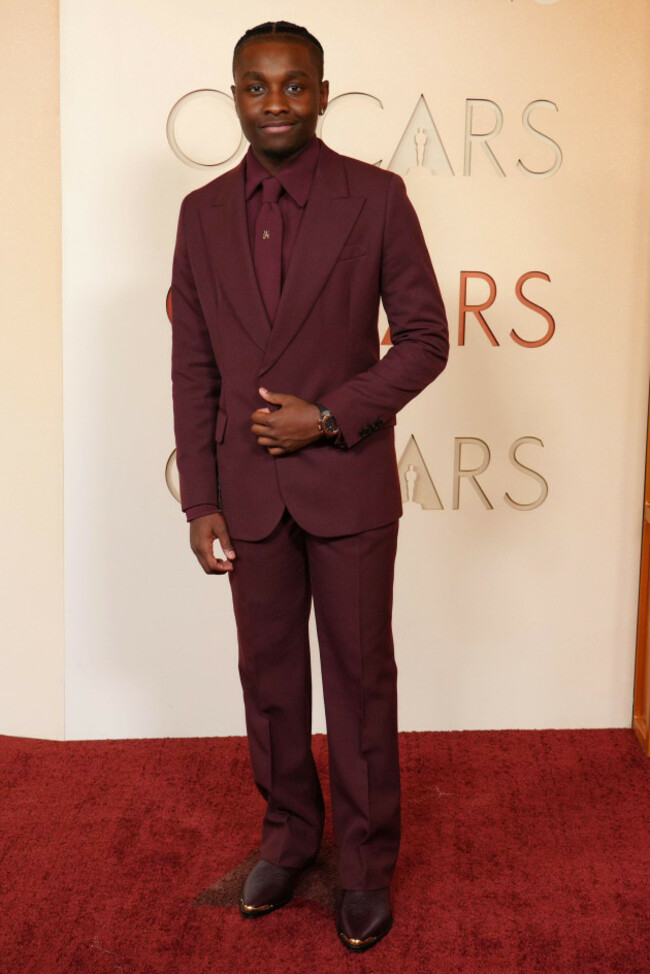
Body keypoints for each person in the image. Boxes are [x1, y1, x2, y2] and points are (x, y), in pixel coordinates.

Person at [170, 20, 449, 952]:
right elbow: (194, 368)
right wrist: (200, 498)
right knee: (271, 679)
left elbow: (423, 340)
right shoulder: (201, 214)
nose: (276, 102)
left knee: (362, 681)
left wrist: (327, 417)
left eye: (295, 86)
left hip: (348, 486)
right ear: (235, 95)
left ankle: (366, 867)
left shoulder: (376, 199)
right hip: (246, 495)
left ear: (324, 93)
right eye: (257, 86)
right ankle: (290, 836)